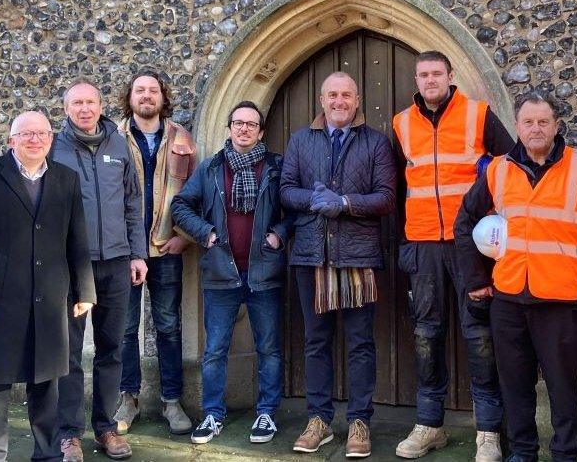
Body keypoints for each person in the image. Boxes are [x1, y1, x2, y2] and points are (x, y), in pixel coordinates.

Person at [456, 91, 577, 462]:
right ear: (517, 126)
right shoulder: (497, 169)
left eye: (543, 121)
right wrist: (477, 280)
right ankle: (523, 453)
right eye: (528, 122)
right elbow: (464, 223)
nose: (536, 129)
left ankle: (565, 455)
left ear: (557, 125)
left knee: (563, 388)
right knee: (515, 387)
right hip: (508, 297)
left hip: (560, 300)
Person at [392, 51, 513, 460]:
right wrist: (403, 241)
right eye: (423, 74)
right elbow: (393, 186)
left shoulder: (479, 115)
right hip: (423, 243)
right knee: (427, 334)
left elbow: (508, 169)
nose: (429, 80)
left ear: (449, 76)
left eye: (436, 73)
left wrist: (493, 225)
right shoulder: (402, 123)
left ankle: (489, 432)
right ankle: (429, 425)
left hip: (469, 246)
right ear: (417, 78)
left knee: (478, 335)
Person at [0, 111, 96, 461]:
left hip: (51, 299)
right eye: (26, 134)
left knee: (47, 383)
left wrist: (85, 290)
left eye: (42, 134)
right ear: (11, 140)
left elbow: (77, 238)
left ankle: (48, 453)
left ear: (51, 139)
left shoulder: (67, 178)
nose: (35, 140)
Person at [280, 72, 397, 458]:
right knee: (316, 342)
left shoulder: (376, 143)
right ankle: (319, 420)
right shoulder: (301, 140)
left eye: (346, 95)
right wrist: (314, 200)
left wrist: (345, 202)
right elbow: (285, 190)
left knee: (361, 343)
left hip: (358, 257)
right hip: (311, 257)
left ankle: (360, 421)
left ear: (357, 100)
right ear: (321, 99)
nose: (339, 102)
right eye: (332, 95)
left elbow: (385, 198)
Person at [171, 101, 293, 445]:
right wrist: (206, 233)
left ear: (261, 132)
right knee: (215, 351)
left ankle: (266, 413)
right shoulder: (210, 169)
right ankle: (213, 415)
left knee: (269, 348)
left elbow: (294, 209)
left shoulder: (275, 167)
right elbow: (180, 205)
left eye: (251, 124)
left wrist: (278, 234)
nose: (244, 129)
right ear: (229, 128)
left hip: (263, 273)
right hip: (221, 274)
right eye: (238, 123)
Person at [52, 81, 149, 461]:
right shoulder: (54, 147)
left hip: (116, 263)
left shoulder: (119, 143)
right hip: (72, 265)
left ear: (101, 105)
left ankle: (106, 428)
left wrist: (137, 254)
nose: (84, 109)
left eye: (90, 102)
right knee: (69, 351)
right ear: (66, 109)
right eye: (77, 103)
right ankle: (69, 433)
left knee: (112, 348)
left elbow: (132, 202)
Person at [115, 71, 196, 435]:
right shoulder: (112, 138)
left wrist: (184, 237)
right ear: (129, 97)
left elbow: (197, 191)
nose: (146, 96)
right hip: (124, 249)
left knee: (168, 326)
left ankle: (171, 401)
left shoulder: (182, 138)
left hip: (167, 247)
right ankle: (127, 398)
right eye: (140, 90)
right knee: (124, 327)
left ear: (163, 97)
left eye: (153, 90)